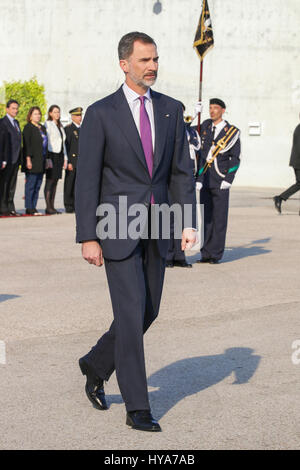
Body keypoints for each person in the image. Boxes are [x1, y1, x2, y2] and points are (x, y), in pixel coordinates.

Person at [75, 31, 196, 432]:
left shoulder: (170, 109)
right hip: (116, 225)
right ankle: (137, 406)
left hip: (159, 224)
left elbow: (180, 171)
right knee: (129, 314)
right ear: (124, 64)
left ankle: (96, 363)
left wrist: (187, 221)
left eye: (156, 59)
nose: (153, 66)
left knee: (148, 310)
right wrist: (88, 235)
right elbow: (87, 179)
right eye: (145, 60)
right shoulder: (101, 113)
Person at [196, 98, 241, 264]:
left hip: (220, 179)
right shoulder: (205, 127)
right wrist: (196, 114)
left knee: (219, 219)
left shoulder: (232, 132)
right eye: (210, 108)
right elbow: (186, 130)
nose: (212, 110)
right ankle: (205, 253)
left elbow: (235, 158)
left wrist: (229, 178)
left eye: (215, 108)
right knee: (206, 218)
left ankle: (215, 254)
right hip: (205, 179)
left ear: (223, 110)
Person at [166, 104, 199, 268]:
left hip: (186, 177)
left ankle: (180, 255)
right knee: (167, 218)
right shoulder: (169, 130)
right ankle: (167, 255)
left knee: (182, 217)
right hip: (169, 179)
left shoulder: (191, 132)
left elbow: (198, 147)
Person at [22, 107, 50, 215]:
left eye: (39, 114)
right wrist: (28, 159)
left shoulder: (42, 128)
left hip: (41, 160)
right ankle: (29, 207)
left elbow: (46, 145)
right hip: (32, 160)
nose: (37, 116)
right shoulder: (28, 127)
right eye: (35, 114)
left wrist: (47, 159)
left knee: (38, 184)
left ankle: (34, 206)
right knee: (31, 184)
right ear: (30, 116)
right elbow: (27, 145)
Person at [273, 118, 300, 214]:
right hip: (298, 161)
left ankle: (280, 198)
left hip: (297, 161)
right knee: (299, 183)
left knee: (299, 184)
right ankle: (279, 198)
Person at [44, 105, 67, 214]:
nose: (57, 114)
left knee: (56, 181)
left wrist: (65, 158)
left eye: (58, 112)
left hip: (59, 155)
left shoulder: (60, 126)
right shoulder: (48, 124)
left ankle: (52, 206)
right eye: (55, 112)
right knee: (50, 180)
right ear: (50, 113)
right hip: (51, 154)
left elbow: (63, 143)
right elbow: (46, 141)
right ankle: (48, 207)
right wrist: (47, 157)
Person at [0, 100, 22, 216]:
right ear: (7, 109)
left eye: (16, 108)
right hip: (6, 158)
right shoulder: (2, 122)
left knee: (12, 184)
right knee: (4, 184)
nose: (15, 110)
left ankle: (10, 206)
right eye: (13, 108)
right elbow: (2, 142)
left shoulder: (16, 123)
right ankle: (3, 207)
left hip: (15, 158)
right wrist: (3, 158)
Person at [64, 107, 83, 213]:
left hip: (81, 161)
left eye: (80, 115)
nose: (79, 117)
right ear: (72, 117)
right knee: (69, 183)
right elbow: (67, 146)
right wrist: (69, 161)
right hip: (72, 160)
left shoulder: (83, 128)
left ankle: (76, 204)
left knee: (78, 184)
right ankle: (68, 204)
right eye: (77, 115)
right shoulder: (68, 129)